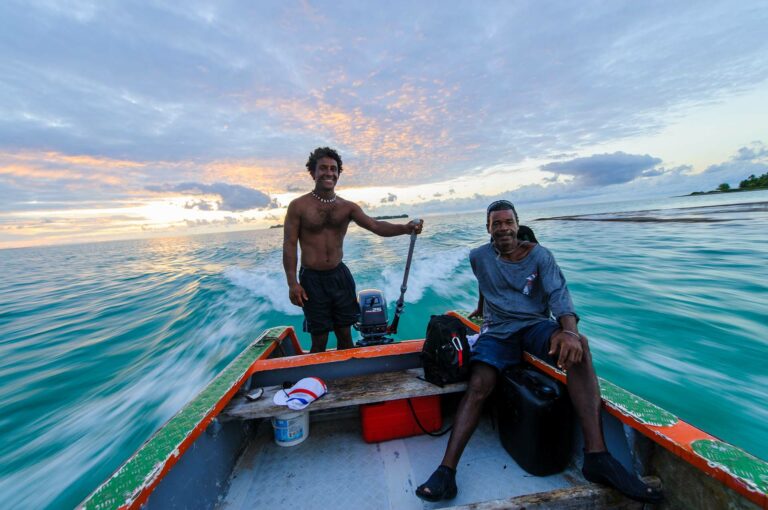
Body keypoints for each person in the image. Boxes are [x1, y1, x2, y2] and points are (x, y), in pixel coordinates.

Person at [415, 200, 662, 504]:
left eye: (508, 222)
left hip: (535, 326)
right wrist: (481, 309)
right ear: (488, 228)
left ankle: (597, 455)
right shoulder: (477, 256)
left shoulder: (541, 256)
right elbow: (485, 282)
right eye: (496, 223)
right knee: (480, 384)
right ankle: (446, 471)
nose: (503, 228)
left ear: (517, 225)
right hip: (498, 330)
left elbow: (559, 294)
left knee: (580, 346)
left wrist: (568, 331)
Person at [282, 147, 423, 353]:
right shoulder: (298, 206)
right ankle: (317, 383)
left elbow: (375, 226)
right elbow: (289, 244)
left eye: (334, 169)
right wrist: (293, 283)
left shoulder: (348, 207)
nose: (329, 173)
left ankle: (346, 383)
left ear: (339, 173)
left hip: (340, 277)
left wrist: (405, 228)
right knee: (319, 339)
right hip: (312, 280)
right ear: (313, 173)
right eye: (323, 168)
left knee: (345, 335)